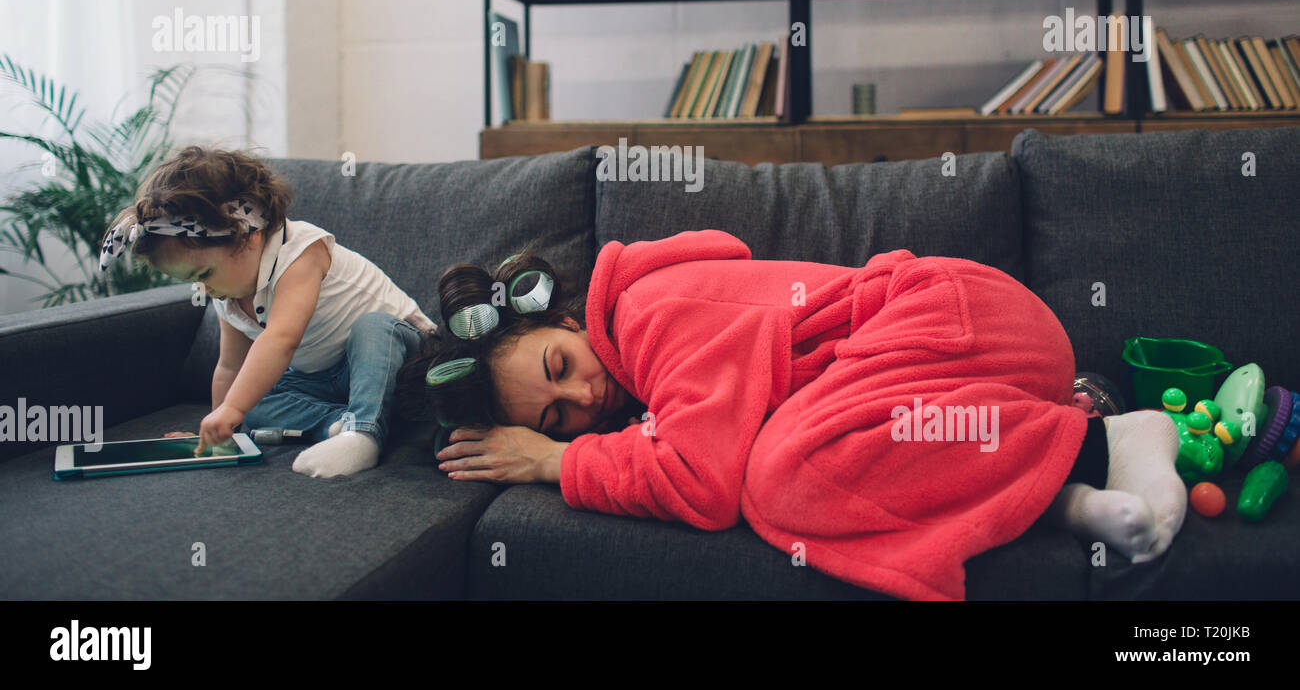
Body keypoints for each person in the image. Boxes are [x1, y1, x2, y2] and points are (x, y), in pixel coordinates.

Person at [398, 229, 1187, 601]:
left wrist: (556, 461)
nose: (583, 401)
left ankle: (1108, 438)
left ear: (566, 323)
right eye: (558, 420)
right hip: (963, 367)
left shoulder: (645, 313)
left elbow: (704, 483)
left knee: (782, 477)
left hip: (957, 316)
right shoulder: (639, 382)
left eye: (558, 370)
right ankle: (1061, 491)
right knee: (797, 462)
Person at [99, 145, 437, 477]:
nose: (203, 289)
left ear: (247, 235)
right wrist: (224, 425)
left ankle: (362, 437)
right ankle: (348, 424)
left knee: (373, 327)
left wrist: (233, 408)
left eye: (203, 275)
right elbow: (231, 365)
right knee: (255, 406)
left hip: (406, 363)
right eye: (193, 282)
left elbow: (281, 339)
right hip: (326, 381)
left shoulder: (301, 252)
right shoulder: (227, 295)